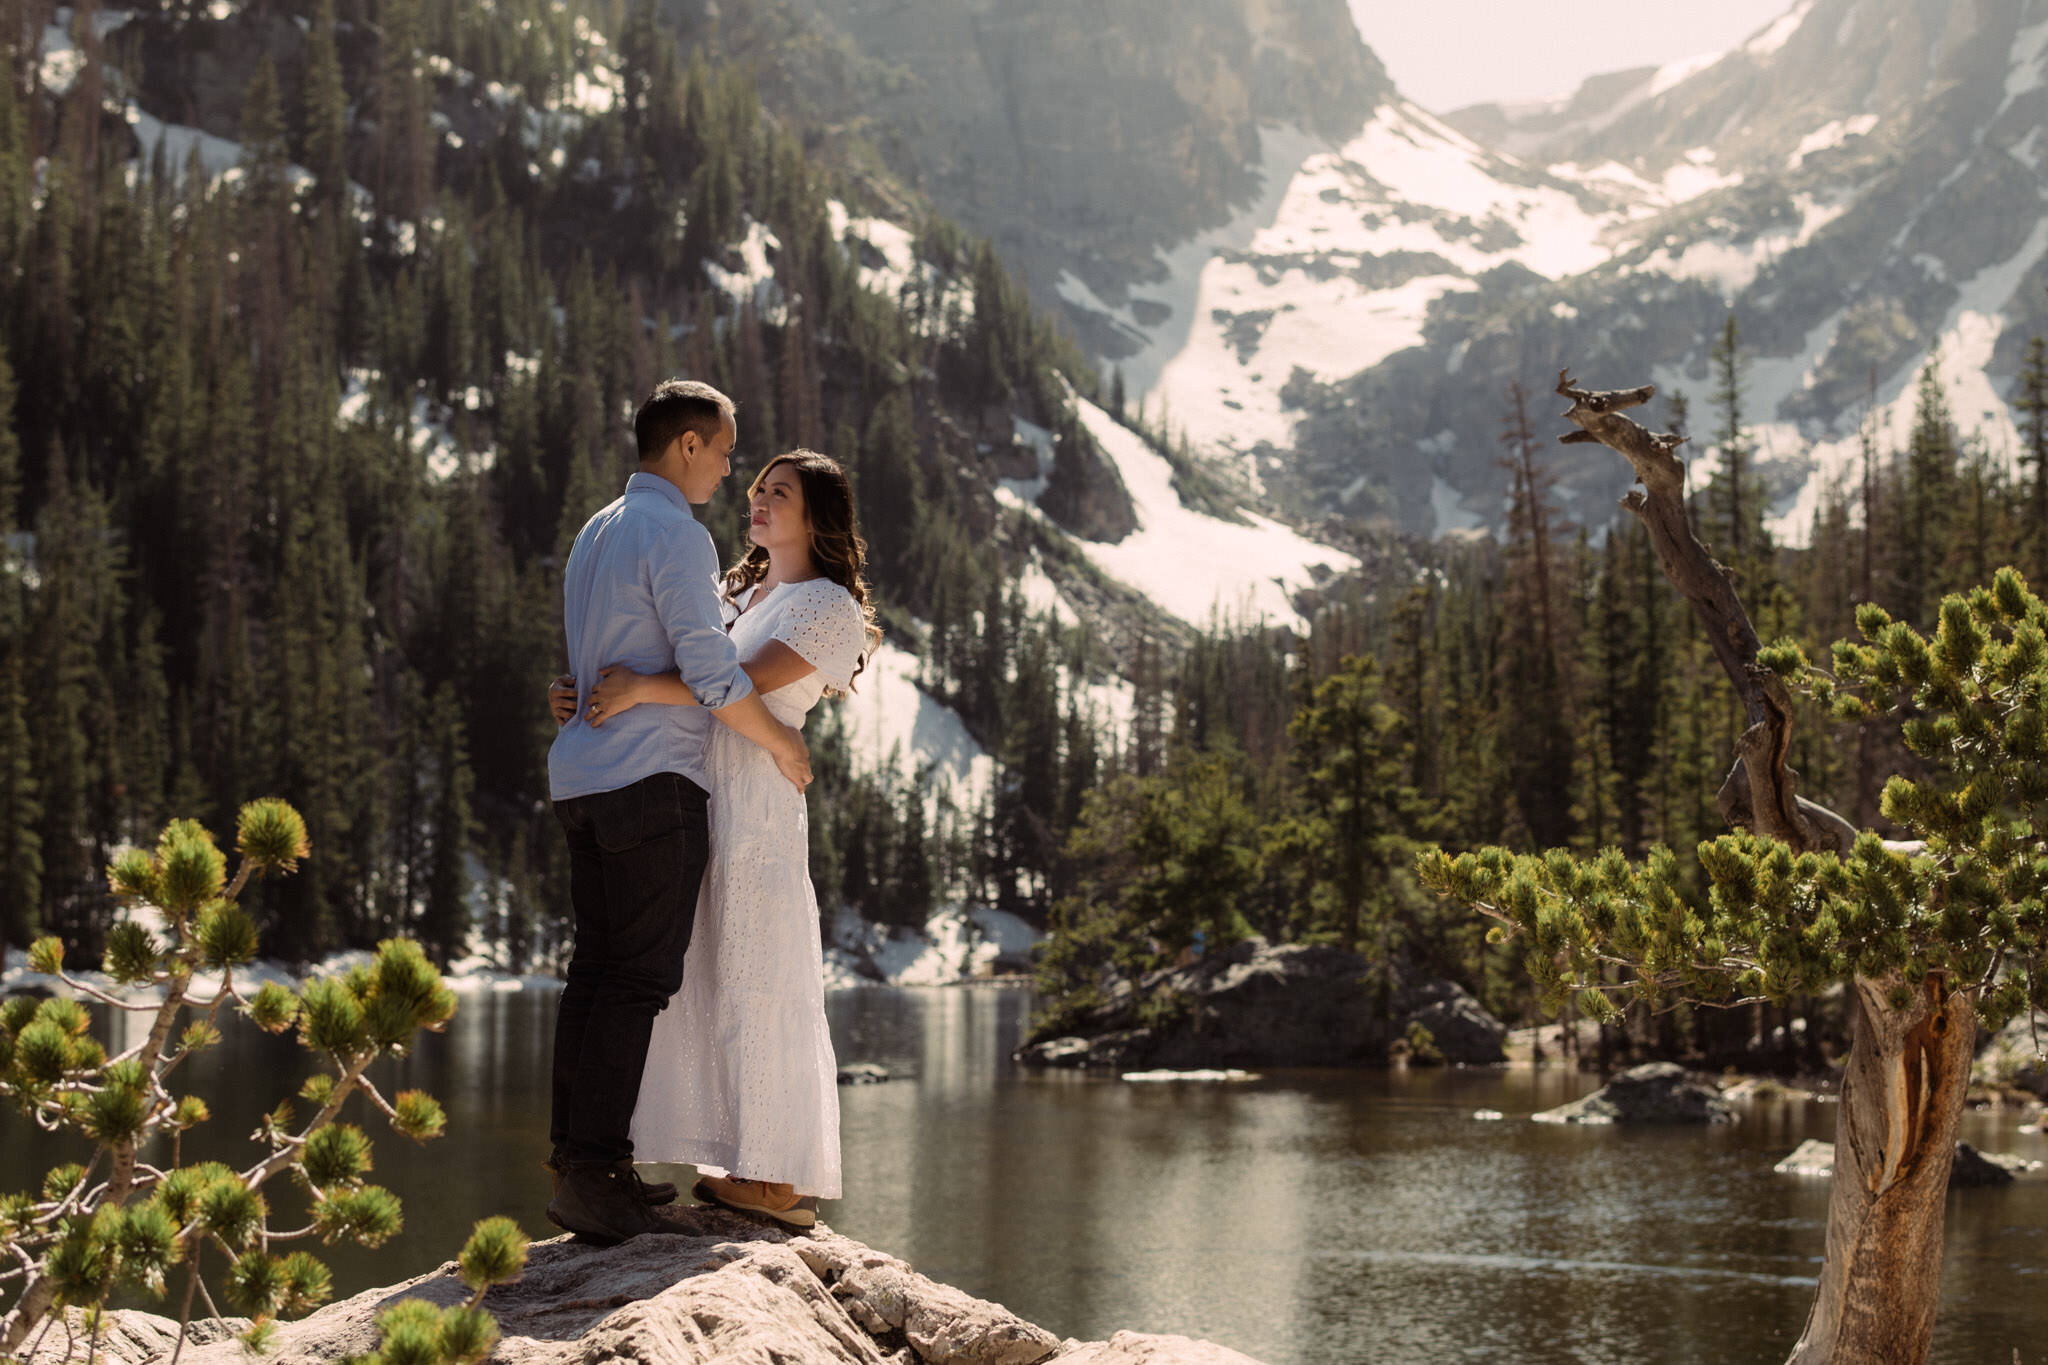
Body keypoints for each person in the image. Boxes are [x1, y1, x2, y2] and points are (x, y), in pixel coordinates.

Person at [551, 449, 876, 1228]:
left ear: (818, 515)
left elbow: (741, 679)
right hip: (701, 781)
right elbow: (692, 659)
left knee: (759, 969)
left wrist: (635, 691)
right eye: (758, 489)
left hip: (759, 796)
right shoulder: (735, 587)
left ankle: (776, 1174)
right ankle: (727, 1152)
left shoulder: (825, 602)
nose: (758, 501)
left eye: (779, 494)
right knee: (701, 969)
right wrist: (592, 685)